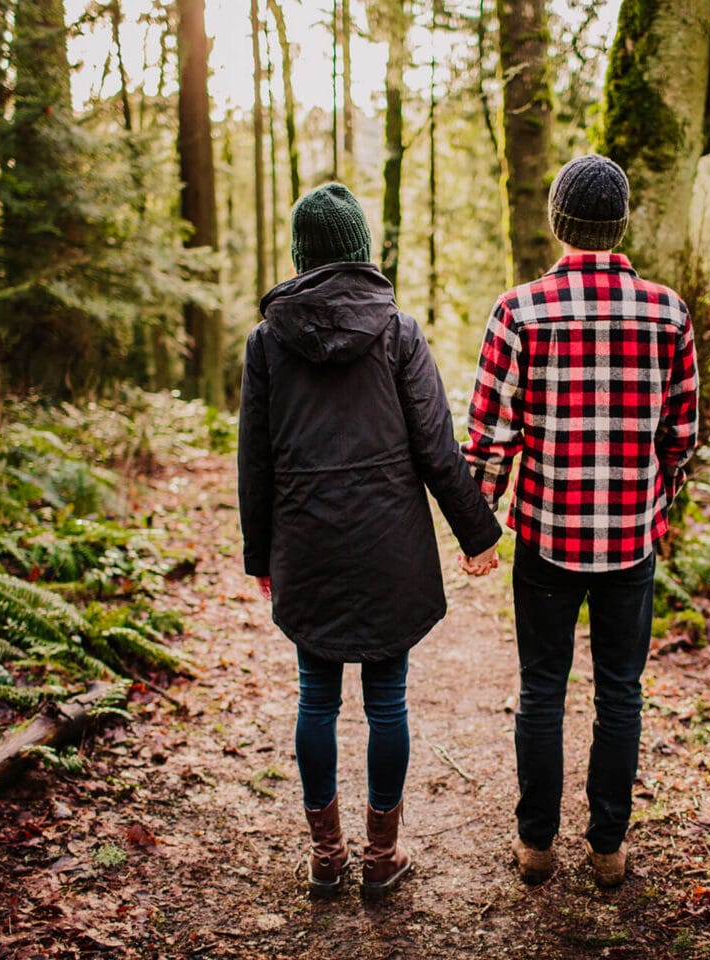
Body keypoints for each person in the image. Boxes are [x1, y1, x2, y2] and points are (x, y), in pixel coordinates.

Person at [238, 182, 502, 899]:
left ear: (301, 257)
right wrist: (477, 532)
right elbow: (436, 446)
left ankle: (328, 859)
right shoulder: (398, 331)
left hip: (307, 542)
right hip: (390, 544)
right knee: (388, 702)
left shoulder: (267, 342)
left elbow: (254, 462)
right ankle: (380, 860)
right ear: (361, 254)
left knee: (315, 698)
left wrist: (260, 556)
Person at [461, 155, 700, 888]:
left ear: (559, 225)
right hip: (630, 539)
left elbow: (489, 435)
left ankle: (536, 845)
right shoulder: (668, 312)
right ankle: (607, 848)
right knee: (619, 693)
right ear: (619, 225)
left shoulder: (520, 310)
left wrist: (483, 524)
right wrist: (656, 501)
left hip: (547, 536)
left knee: (542, 688)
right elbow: (681, 435)